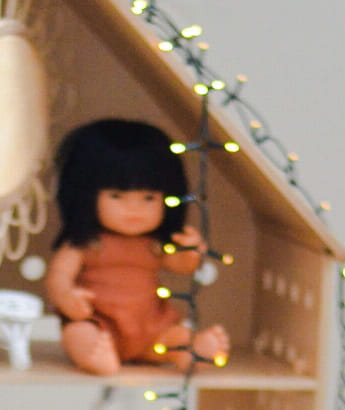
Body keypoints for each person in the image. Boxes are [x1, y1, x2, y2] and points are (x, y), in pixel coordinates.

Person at [44, 118, 232, 377]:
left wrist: (190, 252)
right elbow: (58, 277)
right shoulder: (85, 244)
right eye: (116, 196)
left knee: (175, 336)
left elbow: (182, 266)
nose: (133, 209)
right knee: (78, 333)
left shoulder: (154, 245)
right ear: (85, 196)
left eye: (148, 198)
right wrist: (66, 297)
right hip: (100, 325)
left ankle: (189, 351)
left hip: (151, 329)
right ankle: (96, 355)